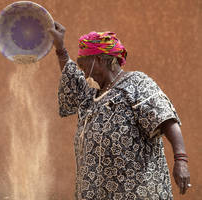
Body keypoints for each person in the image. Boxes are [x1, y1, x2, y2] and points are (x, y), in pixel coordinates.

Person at [48, 21, 191, 200]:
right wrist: (60, 48)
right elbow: (73, 82)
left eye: (83, 64)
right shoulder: (93, 94)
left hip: (137, 192)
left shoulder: (137, 83)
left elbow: (166, 119)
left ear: (99, 60)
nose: (83, 71)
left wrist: (181, 160)